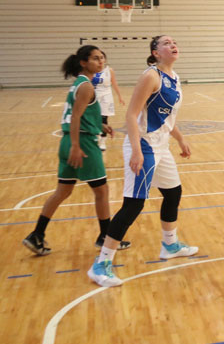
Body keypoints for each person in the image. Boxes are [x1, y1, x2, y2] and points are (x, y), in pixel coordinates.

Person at [89, 35, 196, 287]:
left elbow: (166, 117)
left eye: (174, 41)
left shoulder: (174, 77)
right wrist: (136, 150)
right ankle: (101, 264)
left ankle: (170, 245)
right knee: (133, 205)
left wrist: (180, 139)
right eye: (166, 43)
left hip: (162, 145)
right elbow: (131, 114)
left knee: (173, 193)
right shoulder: (151, 76)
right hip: (144, 145)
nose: (173, 45)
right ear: (155, 52)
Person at [22, 46, 122, 256]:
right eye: (95, 58)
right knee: (102, 191)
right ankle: (105, 237)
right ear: (83, 62)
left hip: (68, 140)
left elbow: (80, 114)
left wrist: (100, 125)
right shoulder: (86, 86)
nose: (101, 62)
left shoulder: (79, 84)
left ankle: (37, 235)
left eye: (102, 58)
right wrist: (77, 146)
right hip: (82, 143)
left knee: (63, 191)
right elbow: (75, 117)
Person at [91, 54, 125, 151]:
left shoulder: (109, 70)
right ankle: (94, 139)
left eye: (102, 58)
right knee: (93, 119)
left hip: (106, 97)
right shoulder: (91, 70)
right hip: (93, 96)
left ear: (105, 59)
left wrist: (120, 96)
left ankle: (102, 142)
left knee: (103, 119)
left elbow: (114, 83)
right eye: (96, 58)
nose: (100, 60)